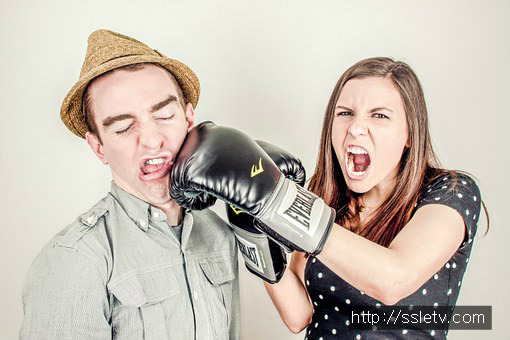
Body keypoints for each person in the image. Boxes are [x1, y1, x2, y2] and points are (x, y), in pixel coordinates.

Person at [169, 57, 487, 339]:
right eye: (345, 113)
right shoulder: (324, 200)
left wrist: (279, 202)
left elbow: (394, 280)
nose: (356, 128)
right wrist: (250, 226)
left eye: (379, 116)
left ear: (409, 134)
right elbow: (299, 316)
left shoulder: (451, 191)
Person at [20, 29, 239, 340]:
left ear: (189, 120)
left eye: (164, 115)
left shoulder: (219, 235)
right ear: (98, 147)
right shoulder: (74, 261)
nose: (151, 140)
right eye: (123, 127)